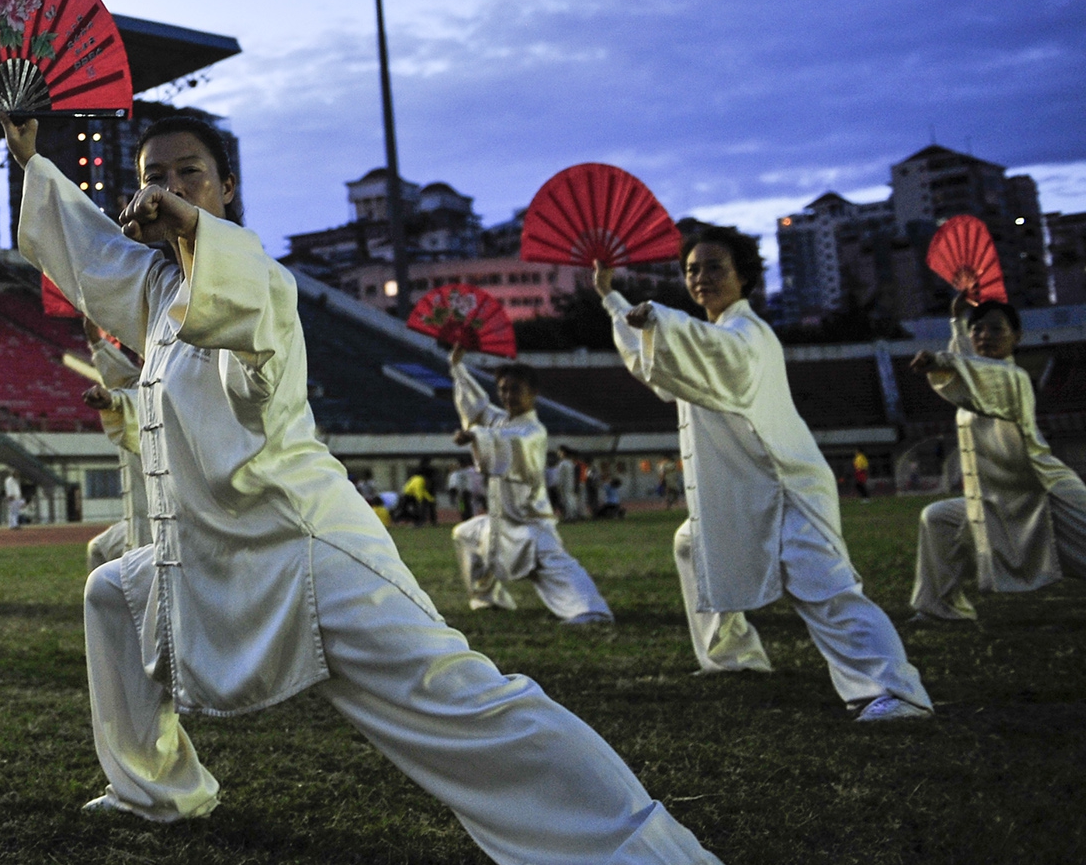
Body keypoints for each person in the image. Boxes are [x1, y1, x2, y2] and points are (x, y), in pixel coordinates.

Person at [12, 111, 730, 865]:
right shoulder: (160, 295)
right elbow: (96, 255)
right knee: (113, 591)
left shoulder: (257, 283)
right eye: (154, 176)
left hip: (303, 548)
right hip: (214, 553)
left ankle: (657, 860)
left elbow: (243, 314)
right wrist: (33, 160)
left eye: (190, 174)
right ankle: (152, 788)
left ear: (227, 189)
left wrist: (191, 229)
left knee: (454, 698)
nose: (169, 189)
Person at [601, 236, 930, 721]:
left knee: (825, 588)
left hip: (786, 486)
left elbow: (708, 351)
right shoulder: (707, 337)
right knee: (692, 543)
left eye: (714, 268)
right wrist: (612, 297)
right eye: (692, 270)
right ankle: (733, 658)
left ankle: (897, 691)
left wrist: (661, 319)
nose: (701, 278)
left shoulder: (747, 333)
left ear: (745, 276)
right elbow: (657, 365)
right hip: (742, 490)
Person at [909, 301, 1086, 622]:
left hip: (1046, 493)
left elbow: (978, 374)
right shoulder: (976, 373)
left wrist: (939, 360)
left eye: (996, 329)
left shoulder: (1013, 378)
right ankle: (938, 608)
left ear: (1016, 337)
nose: (984, 335)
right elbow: (970, 364)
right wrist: (958, 316)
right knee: (937, 519)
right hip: (998, 502)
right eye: (978, 328)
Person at [447, 353, 613, 624]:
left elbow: (511, 443)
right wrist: (457, 369)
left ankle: (592, 611)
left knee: (558, 566)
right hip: (501, 523)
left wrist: (475, 436)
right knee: (465, 534)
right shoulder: (501, 422)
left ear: (533, 393)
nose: (508, 395)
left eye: (515, 389)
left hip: (530, 523)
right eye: (503, 389)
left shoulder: (533, 431)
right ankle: (486, 597)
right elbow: (478, 410)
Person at [84, 327, 151, 569]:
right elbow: (123, 378)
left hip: (172, 519)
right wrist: (94, 336)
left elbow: (142, 403)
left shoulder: (174, 389)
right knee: (100, 549)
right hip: (139, 519)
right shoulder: (138, 382)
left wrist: (114, 401)